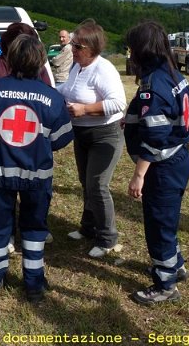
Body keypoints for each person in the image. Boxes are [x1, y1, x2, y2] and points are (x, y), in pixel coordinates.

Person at [0, 34, 74, 302]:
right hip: (37, 178)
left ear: (10, 59)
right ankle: (33, 285)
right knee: (34, 229)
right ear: (41, 61)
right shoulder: (52, 96)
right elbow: (62, 139)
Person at [123, 20, 189, 305]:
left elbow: (155, 138)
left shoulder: (153, 85)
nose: (130, 54)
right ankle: (175, 265)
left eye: (132, 48)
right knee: (168, 217)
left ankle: (165, 284)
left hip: (162, 166)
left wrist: (139, 174)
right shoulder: (174, 75)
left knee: (158, 223)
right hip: (179, 158)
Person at [0, 22, 54, 252]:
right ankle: (7, 236)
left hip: (31, 146)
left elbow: (48, 100)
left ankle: (32, 231)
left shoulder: (38, 68)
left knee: (31, 195)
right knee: (2, 197)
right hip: (1, 146)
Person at [59, 18, 126, 258]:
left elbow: (118, 103)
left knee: (97, 185)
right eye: (72, 45)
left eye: (78, 46)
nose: (73, 49)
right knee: (85, 182)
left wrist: (85, 110)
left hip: (104, 135)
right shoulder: (77, 66)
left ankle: (107, 238)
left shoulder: (104, 69)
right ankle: (88, 228)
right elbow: (66, 90)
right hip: (82, 134)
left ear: (93, 48)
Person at [0, 22, 52, 107]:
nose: (26, 50)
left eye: (30, 45)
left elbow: (49, 100)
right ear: (8, 44)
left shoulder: (39, 68)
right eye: (21, 45)